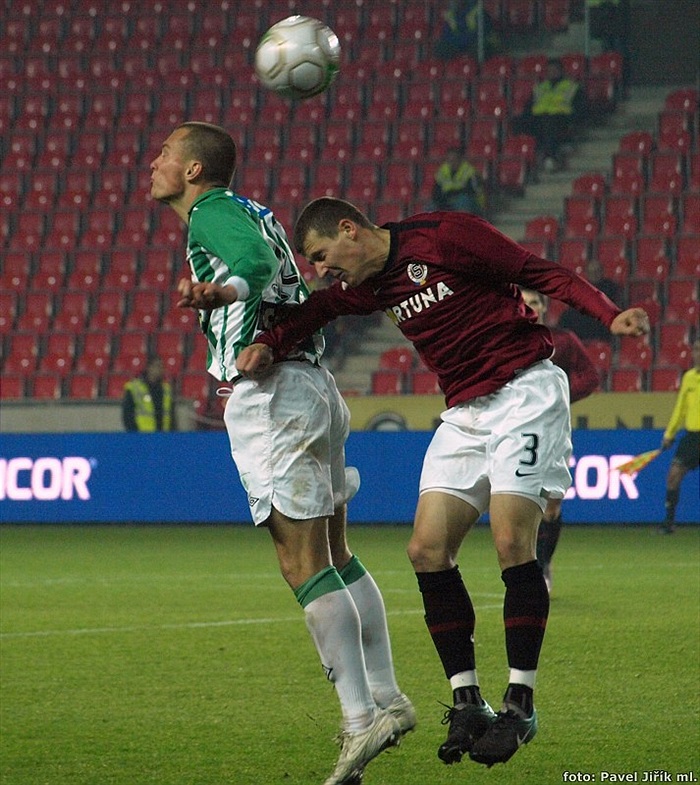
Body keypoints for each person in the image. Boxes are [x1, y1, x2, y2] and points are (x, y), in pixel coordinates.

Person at [235, 197, 650, 769]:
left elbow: (536, 272)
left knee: (511, 541)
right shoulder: (375, 285)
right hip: (466, 413)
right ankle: (467, 701)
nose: (320, 270)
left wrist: (608, 314)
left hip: (525, 390)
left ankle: (520, 704)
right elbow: (320, 310)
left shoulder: (445, 236)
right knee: (426, 550)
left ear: (350, 230)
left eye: (322, 255)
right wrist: (269, 344)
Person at [149, 123, 414, 785]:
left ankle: (361, 721)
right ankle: (387, 699)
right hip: (312, 387)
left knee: (301, 564)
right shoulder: (252, 212)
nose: (153, 163)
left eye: (163, 155)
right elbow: (268, 270)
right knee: (335, 554)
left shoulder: (211, 212)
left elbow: (257, 270)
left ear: (191, 170)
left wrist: (223, 292)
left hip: (272, 397)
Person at [521, 289, 599, 591]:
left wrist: (558, 395)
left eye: (536, 302)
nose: (530, 307)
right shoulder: (503, 340)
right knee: (518, 501)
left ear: (544, 307)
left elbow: (590, 377)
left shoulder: (562, 340)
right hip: (513, 430)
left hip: (554, 430)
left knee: (552, 504)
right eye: (524, 302)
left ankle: (543, 566)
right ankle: (527, 566)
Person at [659, 338, 700, 534]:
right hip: (692, 436)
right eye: (696, 350)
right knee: (673, 476)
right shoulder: (689, 378)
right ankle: (669, 524)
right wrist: (670, 433)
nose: (697, 354)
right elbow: (680, 408)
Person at [516, 57, 585, 172]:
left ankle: (550, 157)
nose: (552, 72)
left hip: (562, 119)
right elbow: (529, 107)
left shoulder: (572, 87)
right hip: (539, 119)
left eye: (554, 69)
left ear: (561, 70)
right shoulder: (540, 87)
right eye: (549, 70)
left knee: (549, 123)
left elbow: (580, 108)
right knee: (517, 122)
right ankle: (523, 160)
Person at [558, 259, 623, 342]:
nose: (594, 274)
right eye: (591, 272)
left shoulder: (610, 287)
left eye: (597, 271)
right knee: (567, 316)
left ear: (602, 272)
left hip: (601, 319)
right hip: (583, 316)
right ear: (587, 273)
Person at [121, 356, 177, 432]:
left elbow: (172, 416)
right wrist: (134, 435)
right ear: (149, 368)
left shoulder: (166, 389)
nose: (161, 369)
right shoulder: (134, 388)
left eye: (162, 367)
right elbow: (127, 416)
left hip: (163, 437)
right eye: (157, 366)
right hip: (142, 437)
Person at [431, 148, 486, 217]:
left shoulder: (469, 171)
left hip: (473, 203)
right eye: (449, 160)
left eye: (454, 159)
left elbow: (472, 192)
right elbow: (436, 191)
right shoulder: (442, 171)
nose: (452, 162)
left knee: (463, 200)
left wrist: (453, 193)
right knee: (431, 206)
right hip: (449, 200)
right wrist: (441, 200)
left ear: (460, 159)